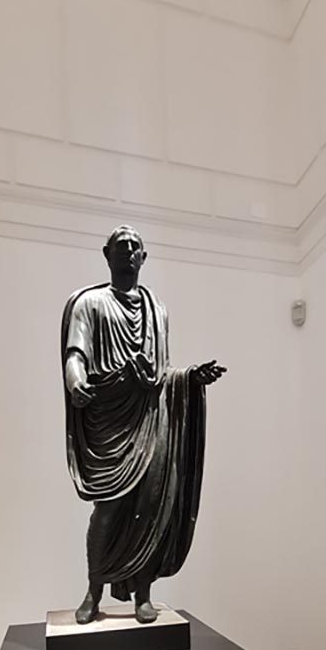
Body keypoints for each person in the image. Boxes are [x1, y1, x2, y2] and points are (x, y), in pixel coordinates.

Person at [61, 225, 226, 625]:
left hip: (151, 422)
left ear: (144, 257)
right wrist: (75, 379)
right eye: (121, 246)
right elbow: (75, 352)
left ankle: (143, 593)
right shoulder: (90, 304)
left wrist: (189, 378)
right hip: (110, 421)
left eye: (135, 247)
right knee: (108, 510)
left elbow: (160, 373)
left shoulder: (157, 310)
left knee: (151, 508)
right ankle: (93, 589)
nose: (129, 252)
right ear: (107, 254)